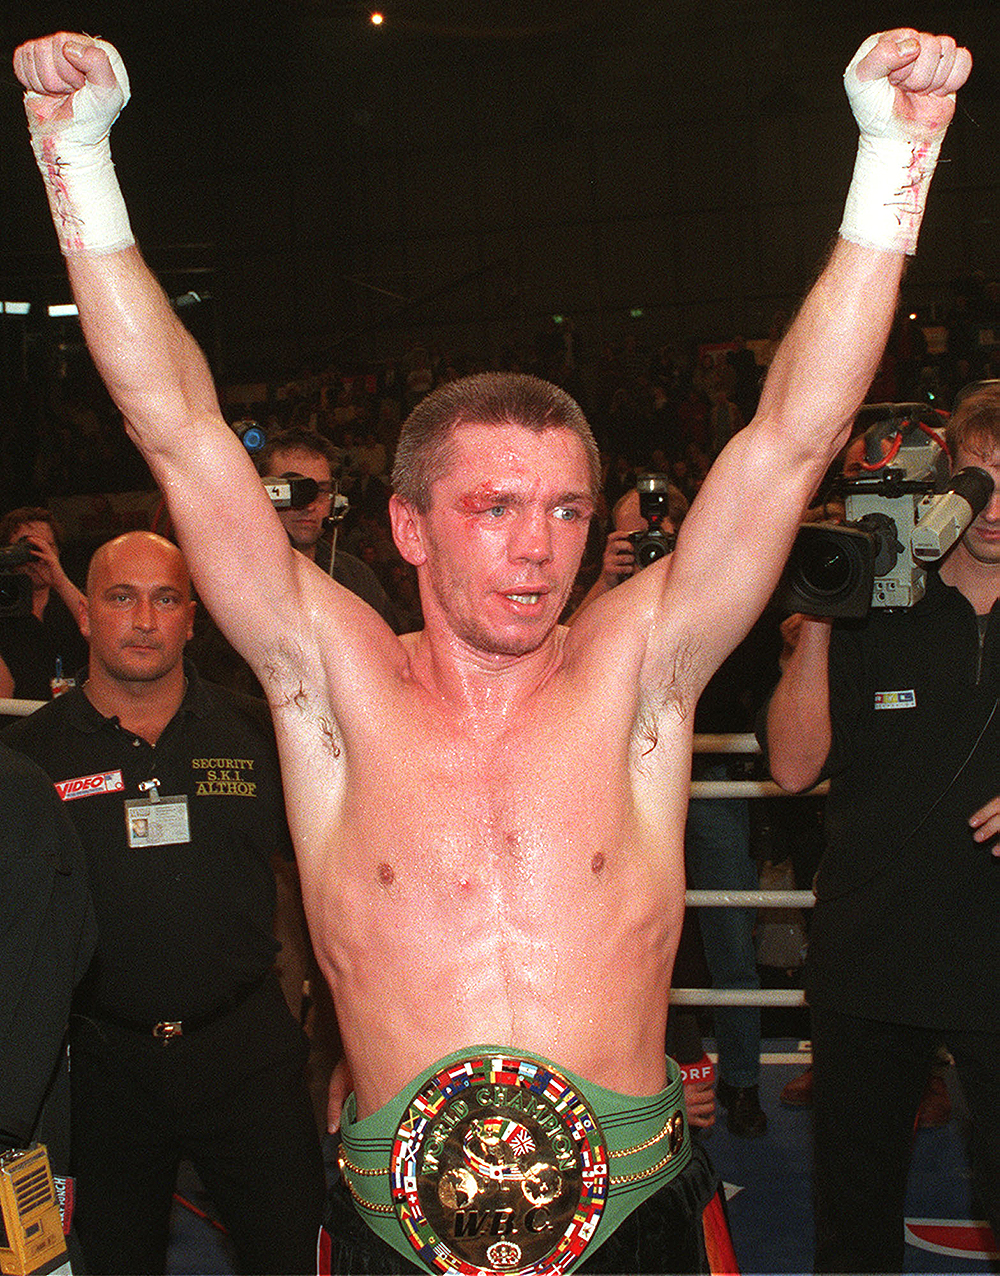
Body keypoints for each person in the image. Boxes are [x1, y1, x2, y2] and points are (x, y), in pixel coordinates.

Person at [13, 26, 970, 1275]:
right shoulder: (331, 680)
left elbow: (793, 434)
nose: (540, 548)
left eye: (568, 509)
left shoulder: (643, 663)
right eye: (494, 507)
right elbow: (178, 425)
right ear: (406, 524)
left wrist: (894, 151)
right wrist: (74, 155)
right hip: (395, 1230)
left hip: (629, 1221)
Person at [2, 531, 326, 1276]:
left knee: (294, 1258)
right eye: (122, 596)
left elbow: (328, 888)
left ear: (191, 618)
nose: (144, 618)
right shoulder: (33, 757)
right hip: (101, 1072)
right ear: (86, 614)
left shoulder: (259, 734)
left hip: (246, 1053)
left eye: (166, 598)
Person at [760, 381, 1000, 1273]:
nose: (991, 507)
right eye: (974, 481)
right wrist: (823, 619)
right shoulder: (879, 608)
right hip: (873, 958)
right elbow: (791, 767)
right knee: (853, 1228)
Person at [0, 507, 88, 702]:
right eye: (27, 547)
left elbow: (104, 634)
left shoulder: (73, 600)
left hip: (76, 719)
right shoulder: (4, 608)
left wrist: (60, 580)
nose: (38, 556)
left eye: (46, 546)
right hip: (18, 722)